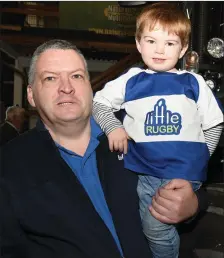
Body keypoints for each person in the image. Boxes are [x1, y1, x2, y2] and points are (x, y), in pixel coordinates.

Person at [1, 39, 208, 258]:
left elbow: (192, 180)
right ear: (31, 95)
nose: (67, 87)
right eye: (51, 78)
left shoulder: (137, 129)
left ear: (90, 87)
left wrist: (193, 204)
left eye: (76, 76)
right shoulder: (10, 164)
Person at [92, 3, 224, 258]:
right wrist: (113, 127)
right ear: (139, 44)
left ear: (183, 48)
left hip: (182, 173)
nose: (160, 50)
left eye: (170, 43)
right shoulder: (132, 79)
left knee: (155, 227)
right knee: (148, 225)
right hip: (147, 172)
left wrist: (201, 157)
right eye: (151, 41)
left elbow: (214, 122)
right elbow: (99, 102)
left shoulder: (193, 82)